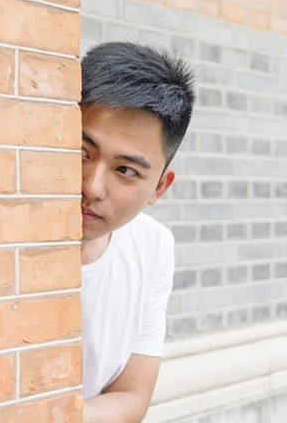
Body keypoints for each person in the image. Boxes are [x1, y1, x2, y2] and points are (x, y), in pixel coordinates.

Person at [79, 41, 196, 422]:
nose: (92, 187)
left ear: (160, 187)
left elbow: (131, 395)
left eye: (125, 170)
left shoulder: (152, 245)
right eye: (81, 152)